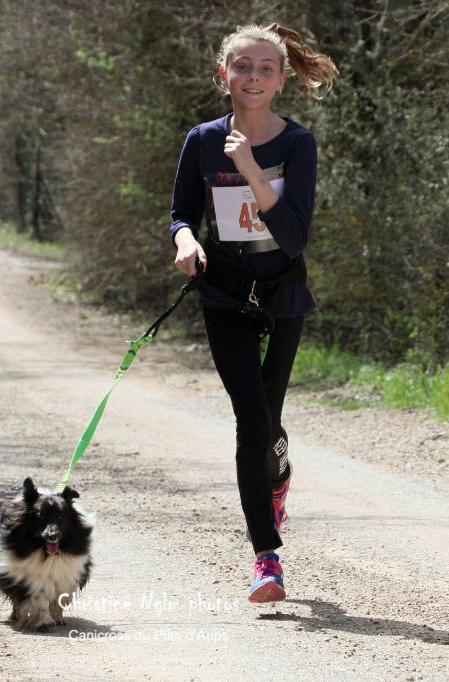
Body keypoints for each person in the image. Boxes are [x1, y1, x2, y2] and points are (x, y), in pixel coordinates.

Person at [169, 24, 337, 603]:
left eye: (267, 68)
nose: (254, 78)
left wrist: (250, 170)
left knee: (269, 419)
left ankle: (278, 473)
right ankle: (267, 558)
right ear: (224, 75)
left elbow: (293, 237)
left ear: (283, 79)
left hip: (283, 295)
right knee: (250, 420)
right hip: (224, 295)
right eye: (243, 67)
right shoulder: (200, 139)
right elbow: (180, 213)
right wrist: (186, 241)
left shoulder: (297, 145)